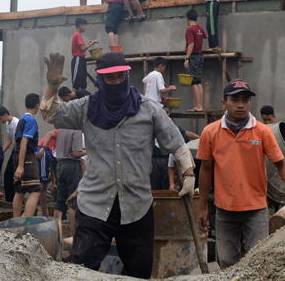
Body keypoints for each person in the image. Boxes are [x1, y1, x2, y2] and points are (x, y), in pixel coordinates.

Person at [40, 51, 196, 279]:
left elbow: (177, 144)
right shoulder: (86, 107)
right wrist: (52, 86)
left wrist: (189, 175)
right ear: (100, 79)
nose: (116, 82)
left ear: (127, 76)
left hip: (137, 205)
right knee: (81, 270)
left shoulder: (149, 109)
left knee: (139, 272)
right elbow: (51, 114)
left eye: (120, 76)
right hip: (94, 204)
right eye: (110, 78)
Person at [197, 80, 285, 268]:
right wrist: (202, 208)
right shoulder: (210, 132)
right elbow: (206, 169)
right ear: (224, 103)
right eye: (235, 100)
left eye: (245, 100)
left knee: (258, 262)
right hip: (224, 209)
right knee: (227, 262)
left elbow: (281, 163)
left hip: (256, 209)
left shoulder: (262, 131)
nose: (241, 104)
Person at [152, 103, 200, 191]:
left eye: (168, 112)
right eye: (164, 112)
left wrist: (201, 139)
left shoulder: (171, 126)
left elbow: (188, 133)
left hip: (166, 159)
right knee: (155, 185)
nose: (166, 114)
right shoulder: (152, 125)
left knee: (168, 185)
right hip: (154, 159)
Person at [13, 93, 41, 218]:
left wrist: (17, 161)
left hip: (18, 155)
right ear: (37, 106)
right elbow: (24, 142)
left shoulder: (22, 119)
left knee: (20, 190)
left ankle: (16, 221)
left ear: (25, 105)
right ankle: (25, 221)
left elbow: (16, 143)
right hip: (27, 157)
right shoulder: (31, 120)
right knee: (35, 191)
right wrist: (21, 166)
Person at [53, 128, 86, 232]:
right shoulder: (76, 130)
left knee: (60, 201)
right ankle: (73, 235)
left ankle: (55, 233)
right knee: (73, 201)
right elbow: (76, 153)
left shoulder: (62, 129)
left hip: (60, 164)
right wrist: (90, 150)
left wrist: (83, 147)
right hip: (72, 165)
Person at [184, 9, 207, 112]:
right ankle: (200, 105)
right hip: (200, 56)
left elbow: (191, 44)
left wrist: (187, 58)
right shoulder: (200, 27)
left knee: (192, 81)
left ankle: (198, 106)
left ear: (187, 19)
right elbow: (206, 36)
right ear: (196, 19)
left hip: (193, 56)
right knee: (198, 81)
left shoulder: (190, 29)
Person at [0, 106, 19, 202]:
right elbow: (10, 140)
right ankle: (10, 199)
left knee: (11, 174)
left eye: (0, 118)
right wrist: (1, 152)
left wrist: (15, 155)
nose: (0, 121)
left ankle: (13, 199)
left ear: (5, 115)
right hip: (15, 149)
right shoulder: (8, 124)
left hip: (19, 149)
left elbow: (17, 140)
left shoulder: (16, 122)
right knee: (8, 174)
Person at [71, 18, 99, 91]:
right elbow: (83, 48)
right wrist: (92, 43)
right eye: (85, 26)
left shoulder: (78, 35)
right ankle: (72, 98)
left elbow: (82, 47)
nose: (85, 28)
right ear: (81, 26)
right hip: (77, 60)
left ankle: (84, 97)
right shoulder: (77, 35)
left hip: (82, 60)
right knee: (76, 84)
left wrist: (89, 43)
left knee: (83, 83)